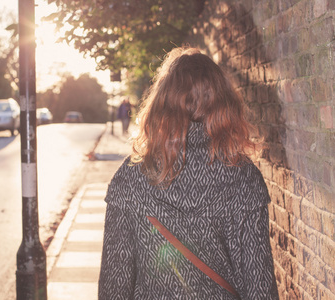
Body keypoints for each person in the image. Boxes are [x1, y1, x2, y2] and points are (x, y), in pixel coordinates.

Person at [98, 47, 279, 299]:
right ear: (224, 104)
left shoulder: (131, 177)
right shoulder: (243, 177)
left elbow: (114, 283)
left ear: (161, 104)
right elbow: (259, 285)